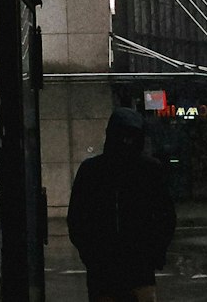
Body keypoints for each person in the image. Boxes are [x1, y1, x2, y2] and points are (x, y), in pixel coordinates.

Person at [67, 106, 176, 302]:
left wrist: (155, 254)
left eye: (131, 137)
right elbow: (77, 220)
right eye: (123, 136)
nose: (126, 142)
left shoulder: (147, 171)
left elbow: (166, 217)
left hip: (126, 269)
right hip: (112, 270)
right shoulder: (95, 171)